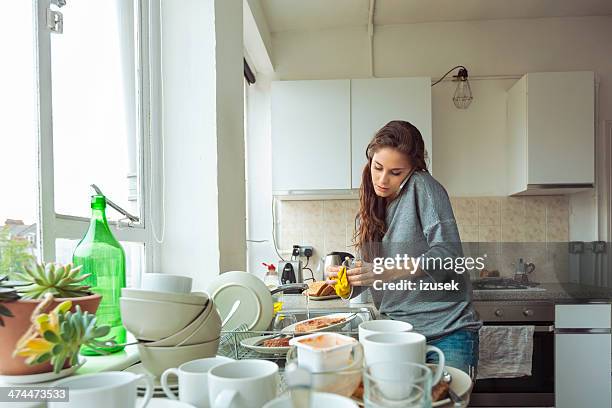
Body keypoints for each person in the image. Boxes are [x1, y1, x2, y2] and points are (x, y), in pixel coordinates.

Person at [326, 120, 482, 375]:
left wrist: (385, 270)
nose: (383, 179)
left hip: (447, 332)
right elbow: (371, 277)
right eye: (378, 168)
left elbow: (449, 256)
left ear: (412, 170)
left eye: (396, 172)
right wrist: (348, 281)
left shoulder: (423, 187)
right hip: (395, 334)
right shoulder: (367, 212)